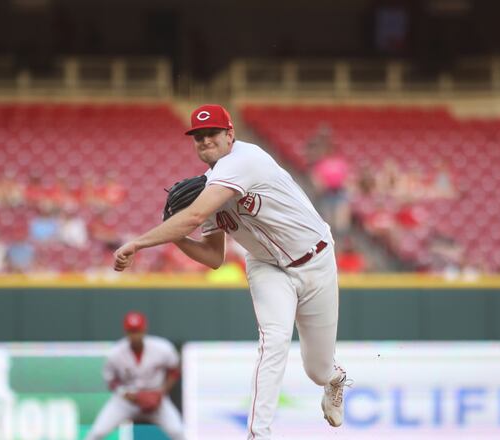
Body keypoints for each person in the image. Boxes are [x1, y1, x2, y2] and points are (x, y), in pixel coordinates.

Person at [113, 104, 349, 439]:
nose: (205, 140)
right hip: (268, 267)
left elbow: (193, 217)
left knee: (317, 369)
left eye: (212, 134)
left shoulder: (244, 159)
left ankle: (335, 378)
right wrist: (176, 237)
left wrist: (138, 243)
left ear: (230, 135)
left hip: (316, 260)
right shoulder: (206, 192)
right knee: (274, 341)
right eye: (198, 136)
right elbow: (212, 257)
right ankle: (259, 434)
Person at [85, 311, 184, 440]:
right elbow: (111, 380)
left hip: (156, 398)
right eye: (132, 331)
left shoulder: (162, 347)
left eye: (137, 331)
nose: (135, 335)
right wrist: (125, 393)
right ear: (126, 332)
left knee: (178, 432)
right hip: (126, 401)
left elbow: (175, 370)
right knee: (97, 433)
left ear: (144, 330)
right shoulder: (115, 353)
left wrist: (161, 392)